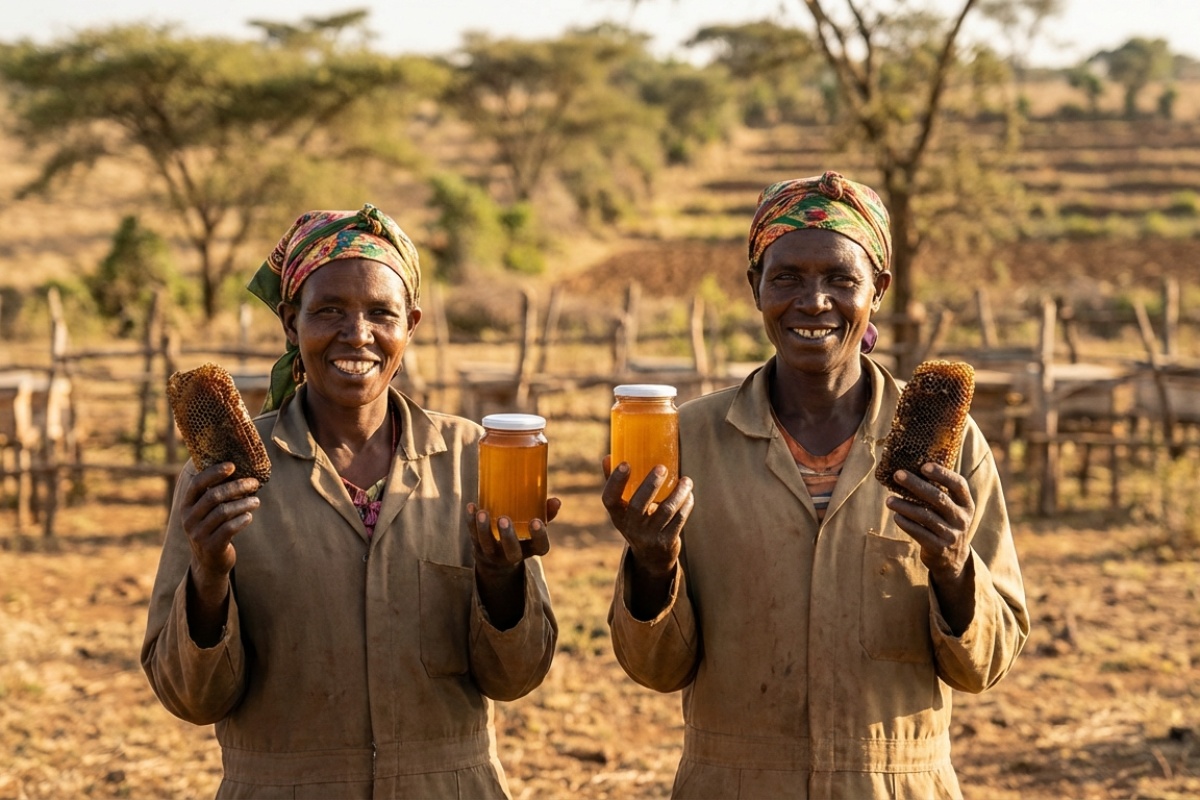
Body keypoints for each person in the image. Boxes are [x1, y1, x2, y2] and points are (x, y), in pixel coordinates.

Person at [602, 172, 1029, 799]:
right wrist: (651, 562)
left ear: (877, 290)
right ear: (755, 288)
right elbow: (655, 670)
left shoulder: (949, 445)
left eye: (841, 279)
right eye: (787, 278)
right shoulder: (688, 441)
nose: (814, 301)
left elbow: (985, 667)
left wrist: (954, 565)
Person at [142, 204, 558, 799]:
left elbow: (518, 678)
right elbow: (188, 697)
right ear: (291, 322)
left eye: (380, 314)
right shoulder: (224, 476)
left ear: (410, 325)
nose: (356, 335)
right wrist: (209, 577)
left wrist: (501, 579)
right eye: (329, 310)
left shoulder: (476, 459)